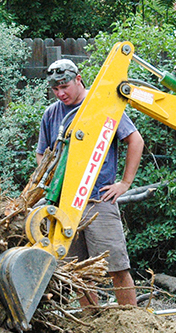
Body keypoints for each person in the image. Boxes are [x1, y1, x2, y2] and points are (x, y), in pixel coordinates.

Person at [36, 59, 144, 307]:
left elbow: (135, 140)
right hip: (65, 205)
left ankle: (133, 324)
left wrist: (125, 183)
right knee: (77, 272)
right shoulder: (52, 114)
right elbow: (43, 152)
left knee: (116, 267)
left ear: (78, 79)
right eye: (55, 89)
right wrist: (49, 180)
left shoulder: (102, 106)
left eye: (64, 86)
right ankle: (92, 322)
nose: (60, 93)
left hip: (98, 201)